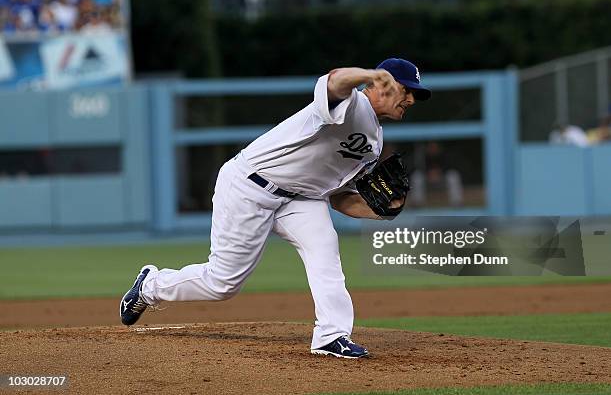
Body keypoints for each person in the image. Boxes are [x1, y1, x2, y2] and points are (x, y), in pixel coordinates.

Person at [119, 58, 432, 358]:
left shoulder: (374, 144)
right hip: (250, 185)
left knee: (325, 250)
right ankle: (150, 285)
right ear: (382, 84)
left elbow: (337, 196)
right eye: (407, 91)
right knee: (222, 283)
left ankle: (331, 336)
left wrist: (380, 210)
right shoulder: (350, 103)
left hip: (301, 199)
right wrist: (366, 74)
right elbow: (335, 80)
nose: (411, 100)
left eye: (415, 94)